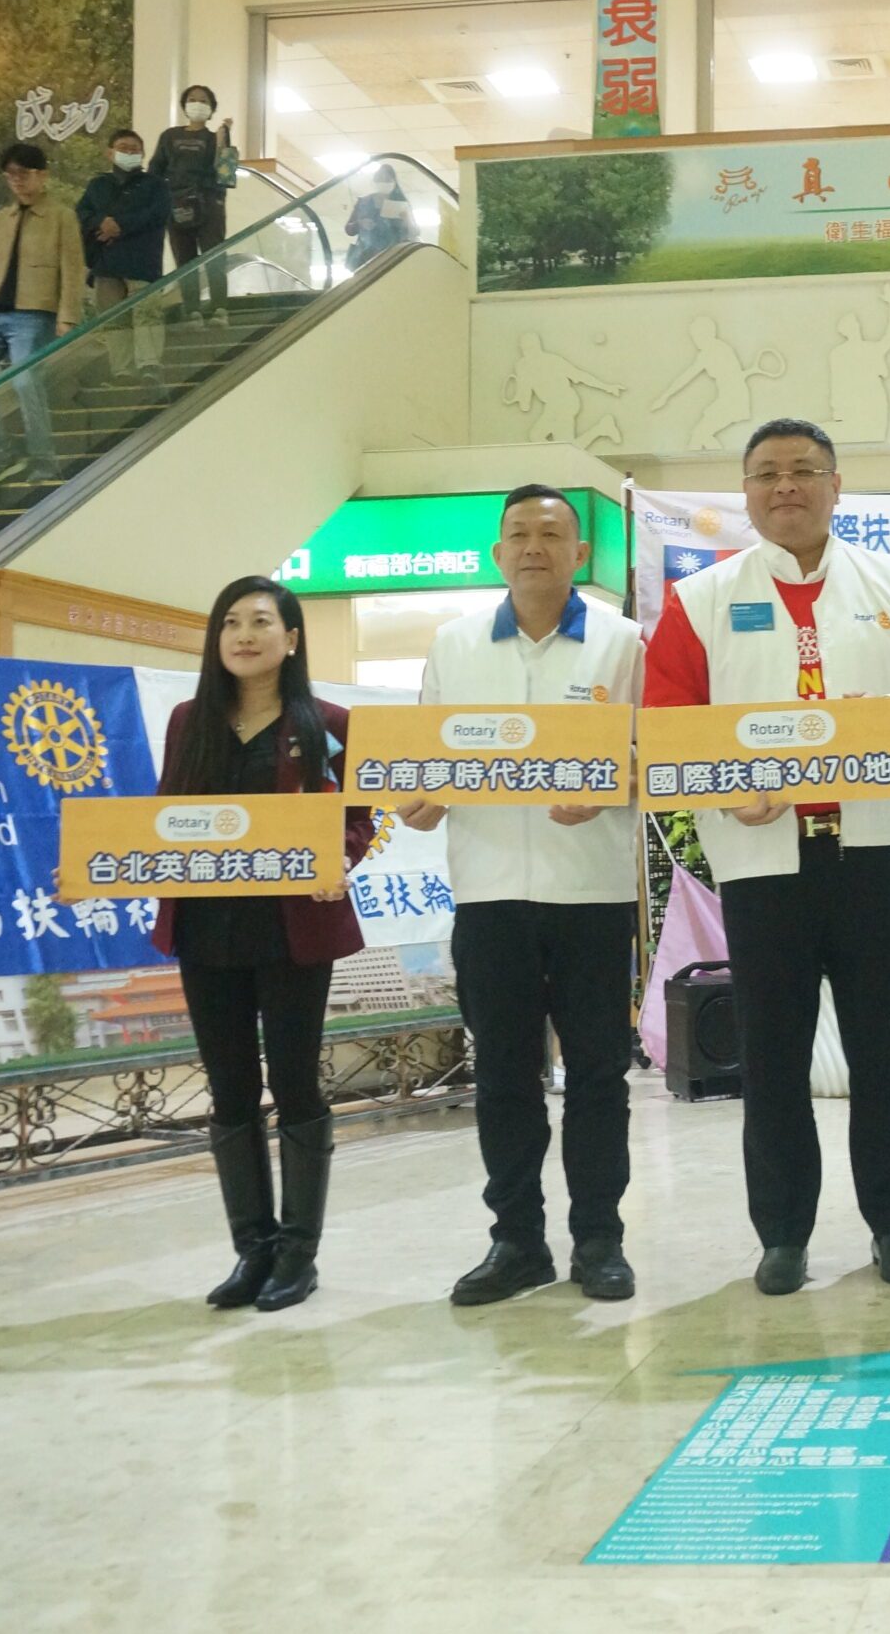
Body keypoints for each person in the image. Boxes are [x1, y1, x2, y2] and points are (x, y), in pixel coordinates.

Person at [643, 417, 890, 1296]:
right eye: (768, 473)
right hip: (762, 860)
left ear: (835, 485)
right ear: (746, 493)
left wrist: (878, 715)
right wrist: (726, 788)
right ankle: (782, 1233)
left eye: (805, 470)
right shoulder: (702, 598)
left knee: (886, 1051)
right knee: (773, 1058)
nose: (787, 486)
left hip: (873, 856)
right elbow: (668, 722)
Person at [399, 486, 645, 1306]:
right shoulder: (455, 643)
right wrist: (419, 797)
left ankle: (599, 1238)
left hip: (592, 892)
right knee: (504, 1074)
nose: (534, 546)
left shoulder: (623, 643)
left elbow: (653, 757)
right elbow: (427, 762)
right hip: (490, 893)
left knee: (599, 1074)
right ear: (497, 554)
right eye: (519, 534)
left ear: (581, 554)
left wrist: (610, 787)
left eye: (551, 533)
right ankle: (516, 1240)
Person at [152, 575, 372, 1312]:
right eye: (230, 623)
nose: (244, 635)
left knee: (296, 1080)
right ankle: (252, 1249)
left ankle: (297, 1255)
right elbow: (161, 818)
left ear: (292, 639)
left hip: (292, 930)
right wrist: (101, 862)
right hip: (205, 928)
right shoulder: (190, 721)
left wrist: (339, 859)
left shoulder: (328, 723)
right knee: (230, 1087)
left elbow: (356, 819)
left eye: (260, 622)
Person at [0, 142, 82, 486]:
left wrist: (68, 315)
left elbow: (73, 269)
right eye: (10, 174)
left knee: (26, 381)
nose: (17, 180)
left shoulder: (61, 216)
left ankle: (44, 459)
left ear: (43, 175)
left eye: (23, 173)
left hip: (34, 313)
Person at [75, 127, 170, 387]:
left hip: (143, 261)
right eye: (123, 148)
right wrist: (100, 223)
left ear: (143, 154)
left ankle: (149, 365)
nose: (129, 153)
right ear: (110, 153)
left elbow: (158, 214)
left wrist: (120, 226)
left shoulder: (155, 185)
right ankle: (122, 371)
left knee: (147, 313)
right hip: (106, 264)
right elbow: (81, 213)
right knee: (113, 319)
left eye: (134, 149)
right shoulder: (98, 185)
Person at [151, 84, 234, 319]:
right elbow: (155, 169)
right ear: (184, 105)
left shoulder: (215, 137)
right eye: (192, 99)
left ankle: (220, 307)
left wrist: (224, 140)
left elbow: (226, 174)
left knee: (214, 255)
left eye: (204, 101)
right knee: (184, 259)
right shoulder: (169, 136)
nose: (197, 104)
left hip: (209, 205)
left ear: (212, 109)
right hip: (176, 205)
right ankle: (192, 310)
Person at [344, 162, 414, 269]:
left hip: (394, 257)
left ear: (394, 183)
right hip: (366, 257)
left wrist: (407, 219)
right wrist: (360, 223)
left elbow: (414, 232)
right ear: (375, 181)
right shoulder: (364, 202)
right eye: (380, 179)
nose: (384, 183)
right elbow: (349, 230)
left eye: (388, 180)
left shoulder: (401, 204)